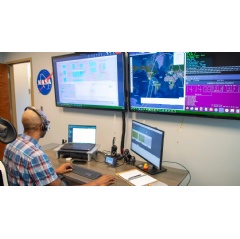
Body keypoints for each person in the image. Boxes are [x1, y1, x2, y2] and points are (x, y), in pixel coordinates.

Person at [3, 106, 116, 186]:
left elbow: (28, 175)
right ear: (42, 126)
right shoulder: (36, 156)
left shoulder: (11, 145)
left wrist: (54, 172)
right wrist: (97, 182)